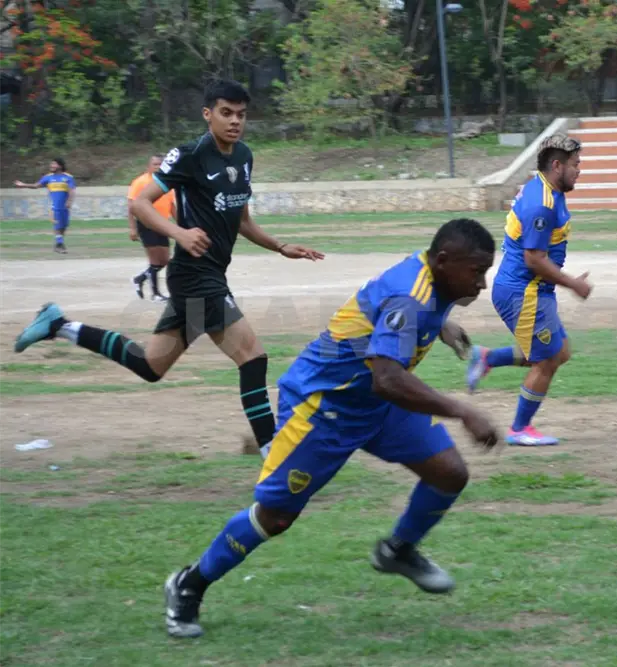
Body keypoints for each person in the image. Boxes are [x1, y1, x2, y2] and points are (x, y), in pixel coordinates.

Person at [162, 218, 501, 639]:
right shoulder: (410, 297)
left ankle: (398, 550)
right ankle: (189, 583)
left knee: (449, 472)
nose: (482, 284)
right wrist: (463, 411)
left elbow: (385, 315)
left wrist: (441, 325)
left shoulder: (429, 274)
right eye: (477, 272)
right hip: (324, 406)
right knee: (275, 518)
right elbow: (389, 378)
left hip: (376, 404)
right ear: (445, 260)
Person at [12, 79, 323, 459]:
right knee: (253, 357)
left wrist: (281, 246)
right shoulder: (190, 155)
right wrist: (180, 233)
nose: (235, 121)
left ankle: (59, 325)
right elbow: (141, 203)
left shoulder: (244, 157)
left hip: (208, 276)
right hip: (195, 276)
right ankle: (272, 453)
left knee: (150, 365)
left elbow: (242, 220)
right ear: (208, 114)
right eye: (226, 113)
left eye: (241, 115)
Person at [462, 135, 592, 447]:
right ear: (556, 165)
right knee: (547, 360)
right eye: (575, 165)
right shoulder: (542, 205)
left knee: (559, 351)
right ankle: (519, 429)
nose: (580, 171)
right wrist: (574, 283)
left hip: (530, 289)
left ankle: (488, 357)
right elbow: (534, 259)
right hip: (524, 291)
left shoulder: (543, 188)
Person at [127, 155, 177, 301]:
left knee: (165, 260)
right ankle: (155, 294)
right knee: (155, 261)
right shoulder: (140, 182)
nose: (157, 166)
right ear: (148, 166)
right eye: (155, 164)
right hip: (146, 223)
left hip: (162, 224)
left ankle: (140, 279)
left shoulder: (166, 183)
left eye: (160, 164)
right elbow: (131, 206)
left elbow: (172, 206)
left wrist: (183, 225)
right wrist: (132, 228)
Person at [12, 157, 76, 254]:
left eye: (54, 164)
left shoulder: (68, 177)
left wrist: (69, 202)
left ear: (60, 165)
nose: (51, 166)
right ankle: (60, 244)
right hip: (54, 206)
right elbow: (36, 185)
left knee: (64, 226)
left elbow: (72, 191)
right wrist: (23, 185)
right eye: (51, 164)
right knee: (57, 224)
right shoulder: (48, 177)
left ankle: (58, 243)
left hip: (65, 207)